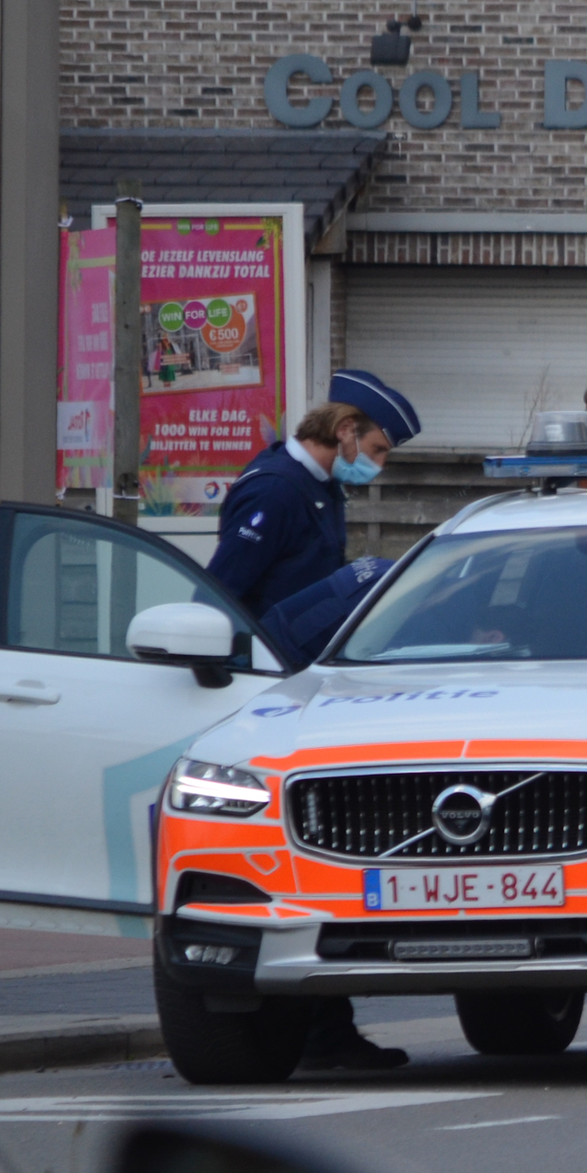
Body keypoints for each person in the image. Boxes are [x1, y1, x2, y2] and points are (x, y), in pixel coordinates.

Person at [207, 369, 422, 1072]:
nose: (378, 464)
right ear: (345, 430)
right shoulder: (274, 488)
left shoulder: (321, 490)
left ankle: (328, 1034)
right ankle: (322, 1035)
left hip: (312, 687)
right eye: (379, 448)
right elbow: (225, 592)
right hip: (272, 687)